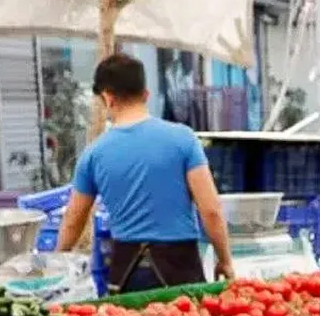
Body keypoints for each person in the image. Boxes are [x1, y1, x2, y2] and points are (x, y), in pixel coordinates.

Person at [56, 53, 234, 292]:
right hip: (181, 270)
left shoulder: (93, 154)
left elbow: (72, 223)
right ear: (146, 94)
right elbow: (211, 211)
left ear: (107, 98)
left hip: (126, 275)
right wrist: (224, 260)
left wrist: (55, 264)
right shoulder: (183, 139)